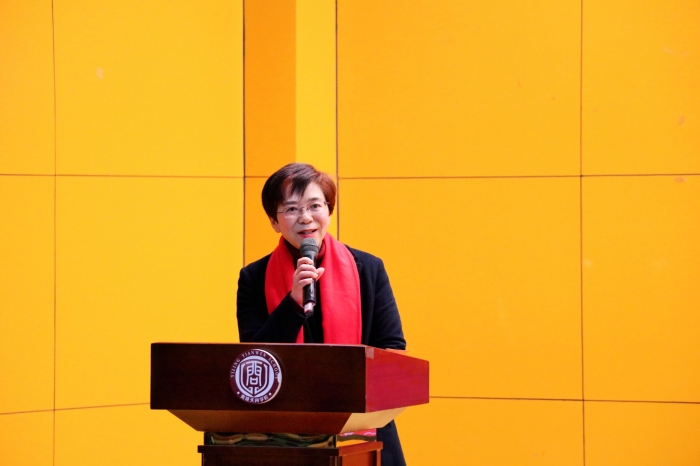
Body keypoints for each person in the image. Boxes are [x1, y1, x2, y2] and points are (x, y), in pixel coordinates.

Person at [237, 162, 407, 466]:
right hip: (285, 437)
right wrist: (293, 303)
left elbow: (392, 348)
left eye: (315, 205)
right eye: (291, 209)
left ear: (329, 210)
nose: (305, 218)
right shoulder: (254, 278)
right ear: (274, 221)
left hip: (364, 433)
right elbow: (254, 360)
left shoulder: (368, 269)